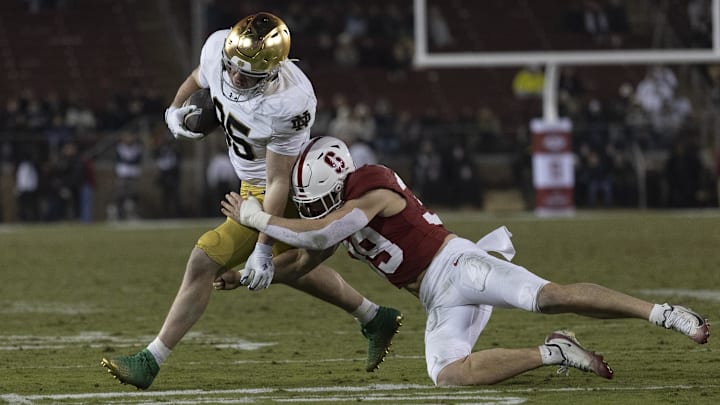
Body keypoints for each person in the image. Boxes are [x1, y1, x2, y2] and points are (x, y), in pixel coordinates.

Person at [218, 136, 710, 386]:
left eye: (308, 197)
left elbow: (327, 228)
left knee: (550, 297)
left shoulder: (370, 184)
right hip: (437, 299)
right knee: (447, 375)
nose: (304, 206)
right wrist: (247, 275)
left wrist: (259, 219)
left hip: (459, 266)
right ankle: (552, 353)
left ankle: (663, 313)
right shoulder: (335, 212)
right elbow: (305, 259)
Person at [101, 13, 402, 390]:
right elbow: (199, 76)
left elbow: (277, 180)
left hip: (284, 188)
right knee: (294, 270)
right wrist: (174, 110)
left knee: (206, 260)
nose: (237, 79)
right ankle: (374, 317)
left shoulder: (290, 102)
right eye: (233, 69)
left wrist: (260, 246)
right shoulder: (219, 48)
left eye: (250, 76)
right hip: (252, 183)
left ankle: (151, 360)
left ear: (274, 70)